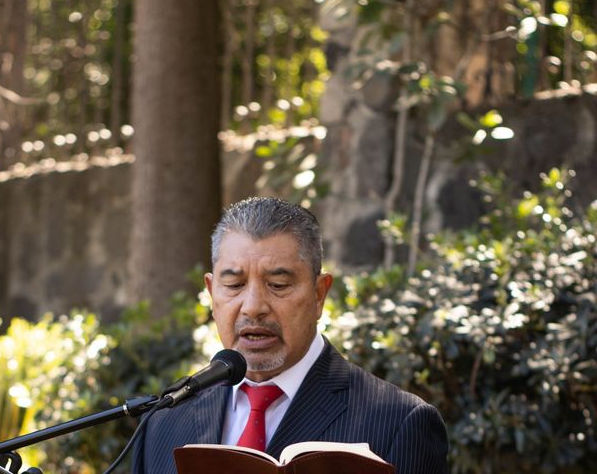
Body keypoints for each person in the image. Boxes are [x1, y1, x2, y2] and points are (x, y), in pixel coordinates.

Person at [132, 197, 448, 474]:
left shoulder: (399, 423)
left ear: (319, 294)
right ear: (211, 291)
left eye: (278, 285)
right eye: (234, 285)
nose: (253, 308)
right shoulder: (164, 421)